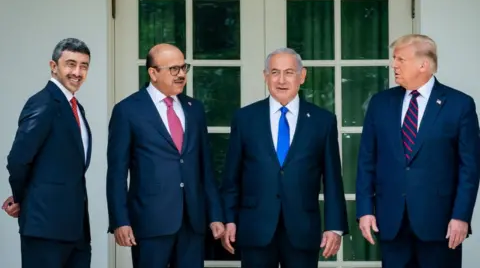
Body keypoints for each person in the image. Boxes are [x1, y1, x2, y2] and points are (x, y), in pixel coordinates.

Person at [356, 34, 480, 268]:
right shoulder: (380, 103)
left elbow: (469, 168)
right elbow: (366, 161)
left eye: (400, 59)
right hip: (391, 223)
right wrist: (365, 210)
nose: (394, 65)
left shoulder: (459, 104)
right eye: (394, 59)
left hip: (440, 225)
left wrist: (461, 216)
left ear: (423, 64)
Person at [220, 47, 349, 268]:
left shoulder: (322, 121)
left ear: (302, 76)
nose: (281, 80)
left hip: (302, 229)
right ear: (265, 76)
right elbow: (232, 176)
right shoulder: (245, 118)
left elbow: (332, 179)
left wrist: (334, 226)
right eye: (275, 72)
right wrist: (228, 219)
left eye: (289, 72)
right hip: (255, 228)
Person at [106, 43, 225, 268]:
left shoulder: (194, 108)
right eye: (174, 69)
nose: (181, 74)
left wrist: (215, 215)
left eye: (183, 67)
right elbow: (117, 173)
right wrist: (120, 221)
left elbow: (205, 168)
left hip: (193, 222)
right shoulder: (128, 110)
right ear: (153, 72)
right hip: (150, 222)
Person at [4, 38, 93, 268]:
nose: (77, 72)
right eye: (70, 64)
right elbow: (18, 160)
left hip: (76, 231)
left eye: (84, 65)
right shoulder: (43, 103)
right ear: (54, 66)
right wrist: (22, 198)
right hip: (45, 228)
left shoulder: (75, 107)